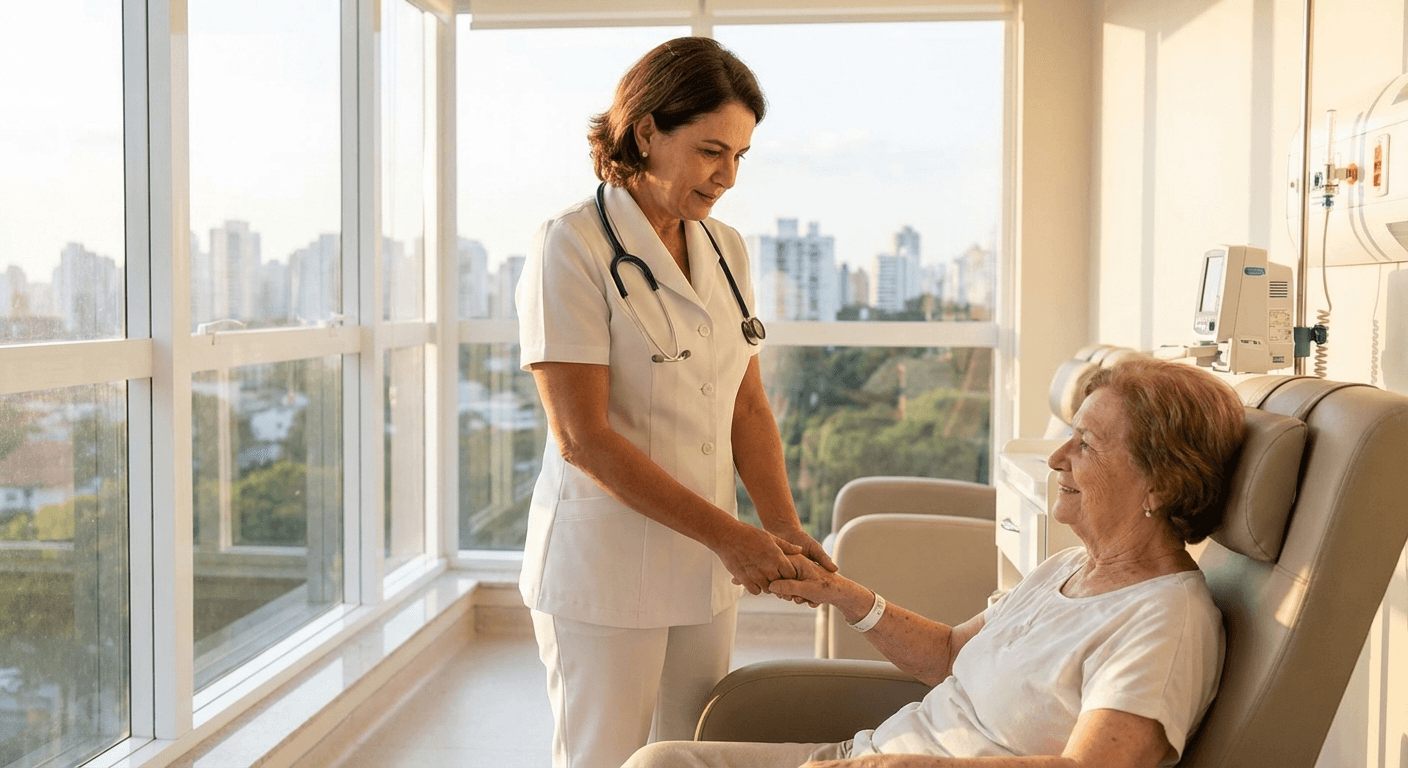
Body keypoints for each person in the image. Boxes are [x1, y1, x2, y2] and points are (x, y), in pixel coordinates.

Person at [624, 358, 1247, 768]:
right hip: (869, 754)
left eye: (1085, 444)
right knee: (659, 762)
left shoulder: (1165, 623)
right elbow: (950, 653)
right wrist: (841, 592)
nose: (1057, 457)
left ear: (1160, 484)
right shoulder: (1065, 568)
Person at [515, 36, 836, 768]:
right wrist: (733, 538)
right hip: (606, 569)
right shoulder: (570, 246)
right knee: (604, 757)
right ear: (646, 132)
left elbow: (745, 407)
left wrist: (780, 526)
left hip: (705, 570)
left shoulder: (725, 247)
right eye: (710, 151)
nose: (727, 176)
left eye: (740, 155)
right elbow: (582, 439)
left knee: (690, 753)